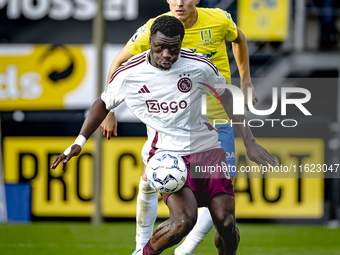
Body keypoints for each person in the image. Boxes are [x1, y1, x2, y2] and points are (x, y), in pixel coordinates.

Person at [51, 16, 277, 255]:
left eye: (174, 48)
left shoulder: (199, 65)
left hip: (208, 151)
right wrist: (79, 142)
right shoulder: (131, 73)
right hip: (168, 157)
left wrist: (250, 143)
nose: (167, 54)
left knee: (227, 223)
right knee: (183, 221)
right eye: (160, 48)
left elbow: (228, 98)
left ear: (181, 43)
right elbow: (103, 103)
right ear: (150, 42)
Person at [100, 1, 258, 254]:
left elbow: (238, 37)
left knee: (219, 201)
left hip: (217, 120)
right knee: (149, 180)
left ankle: (185, 251)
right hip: (173, 118)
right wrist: (109, 111)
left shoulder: (218, 20)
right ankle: (141, 246)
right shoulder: (155, 28)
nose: (180, 2)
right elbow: (119, 62)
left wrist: (246, 80)